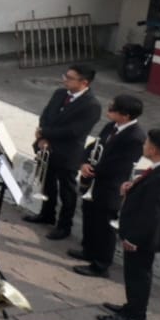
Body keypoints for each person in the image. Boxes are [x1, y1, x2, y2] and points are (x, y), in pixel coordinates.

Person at [98, 130, 160, 320]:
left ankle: (134, 316)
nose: (143, 145)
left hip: (143, 238)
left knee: (138, 275)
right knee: (135, 274)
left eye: (146, 143)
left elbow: (152, 215)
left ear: (154, 149)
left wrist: (134, 239)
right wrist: (133, 188)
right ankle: (131, 307)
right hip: (145, 234)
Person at [71, 95, 147, 278]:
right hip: (95, 182)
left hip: (110, 186)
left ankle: (101, 265)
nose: (109, 109)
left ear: (126, 115)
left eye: (113, 108)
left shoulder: (135, 137)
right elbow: (94, 146)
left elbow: (120, 164)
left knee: (104, 226)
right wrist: (83, 162)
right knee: (89, 217)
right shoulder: (111, 126)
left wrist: (94, 169)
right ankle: (88, 250)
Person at [25, 64, 102, 241]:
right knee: (47, 183)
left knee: (67, 190)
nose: (64, 80)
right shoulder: (60, 94)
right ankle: (46, 214)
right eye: (65, 76)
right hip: (47, 147)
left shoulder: (91, 105)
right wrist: (42, 138)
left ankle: (64, 225)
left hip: (68, 153)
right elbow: (45, 115)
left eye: (70, 78)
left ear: (84, 82)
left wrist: (45, 134)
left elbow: (74, 131)